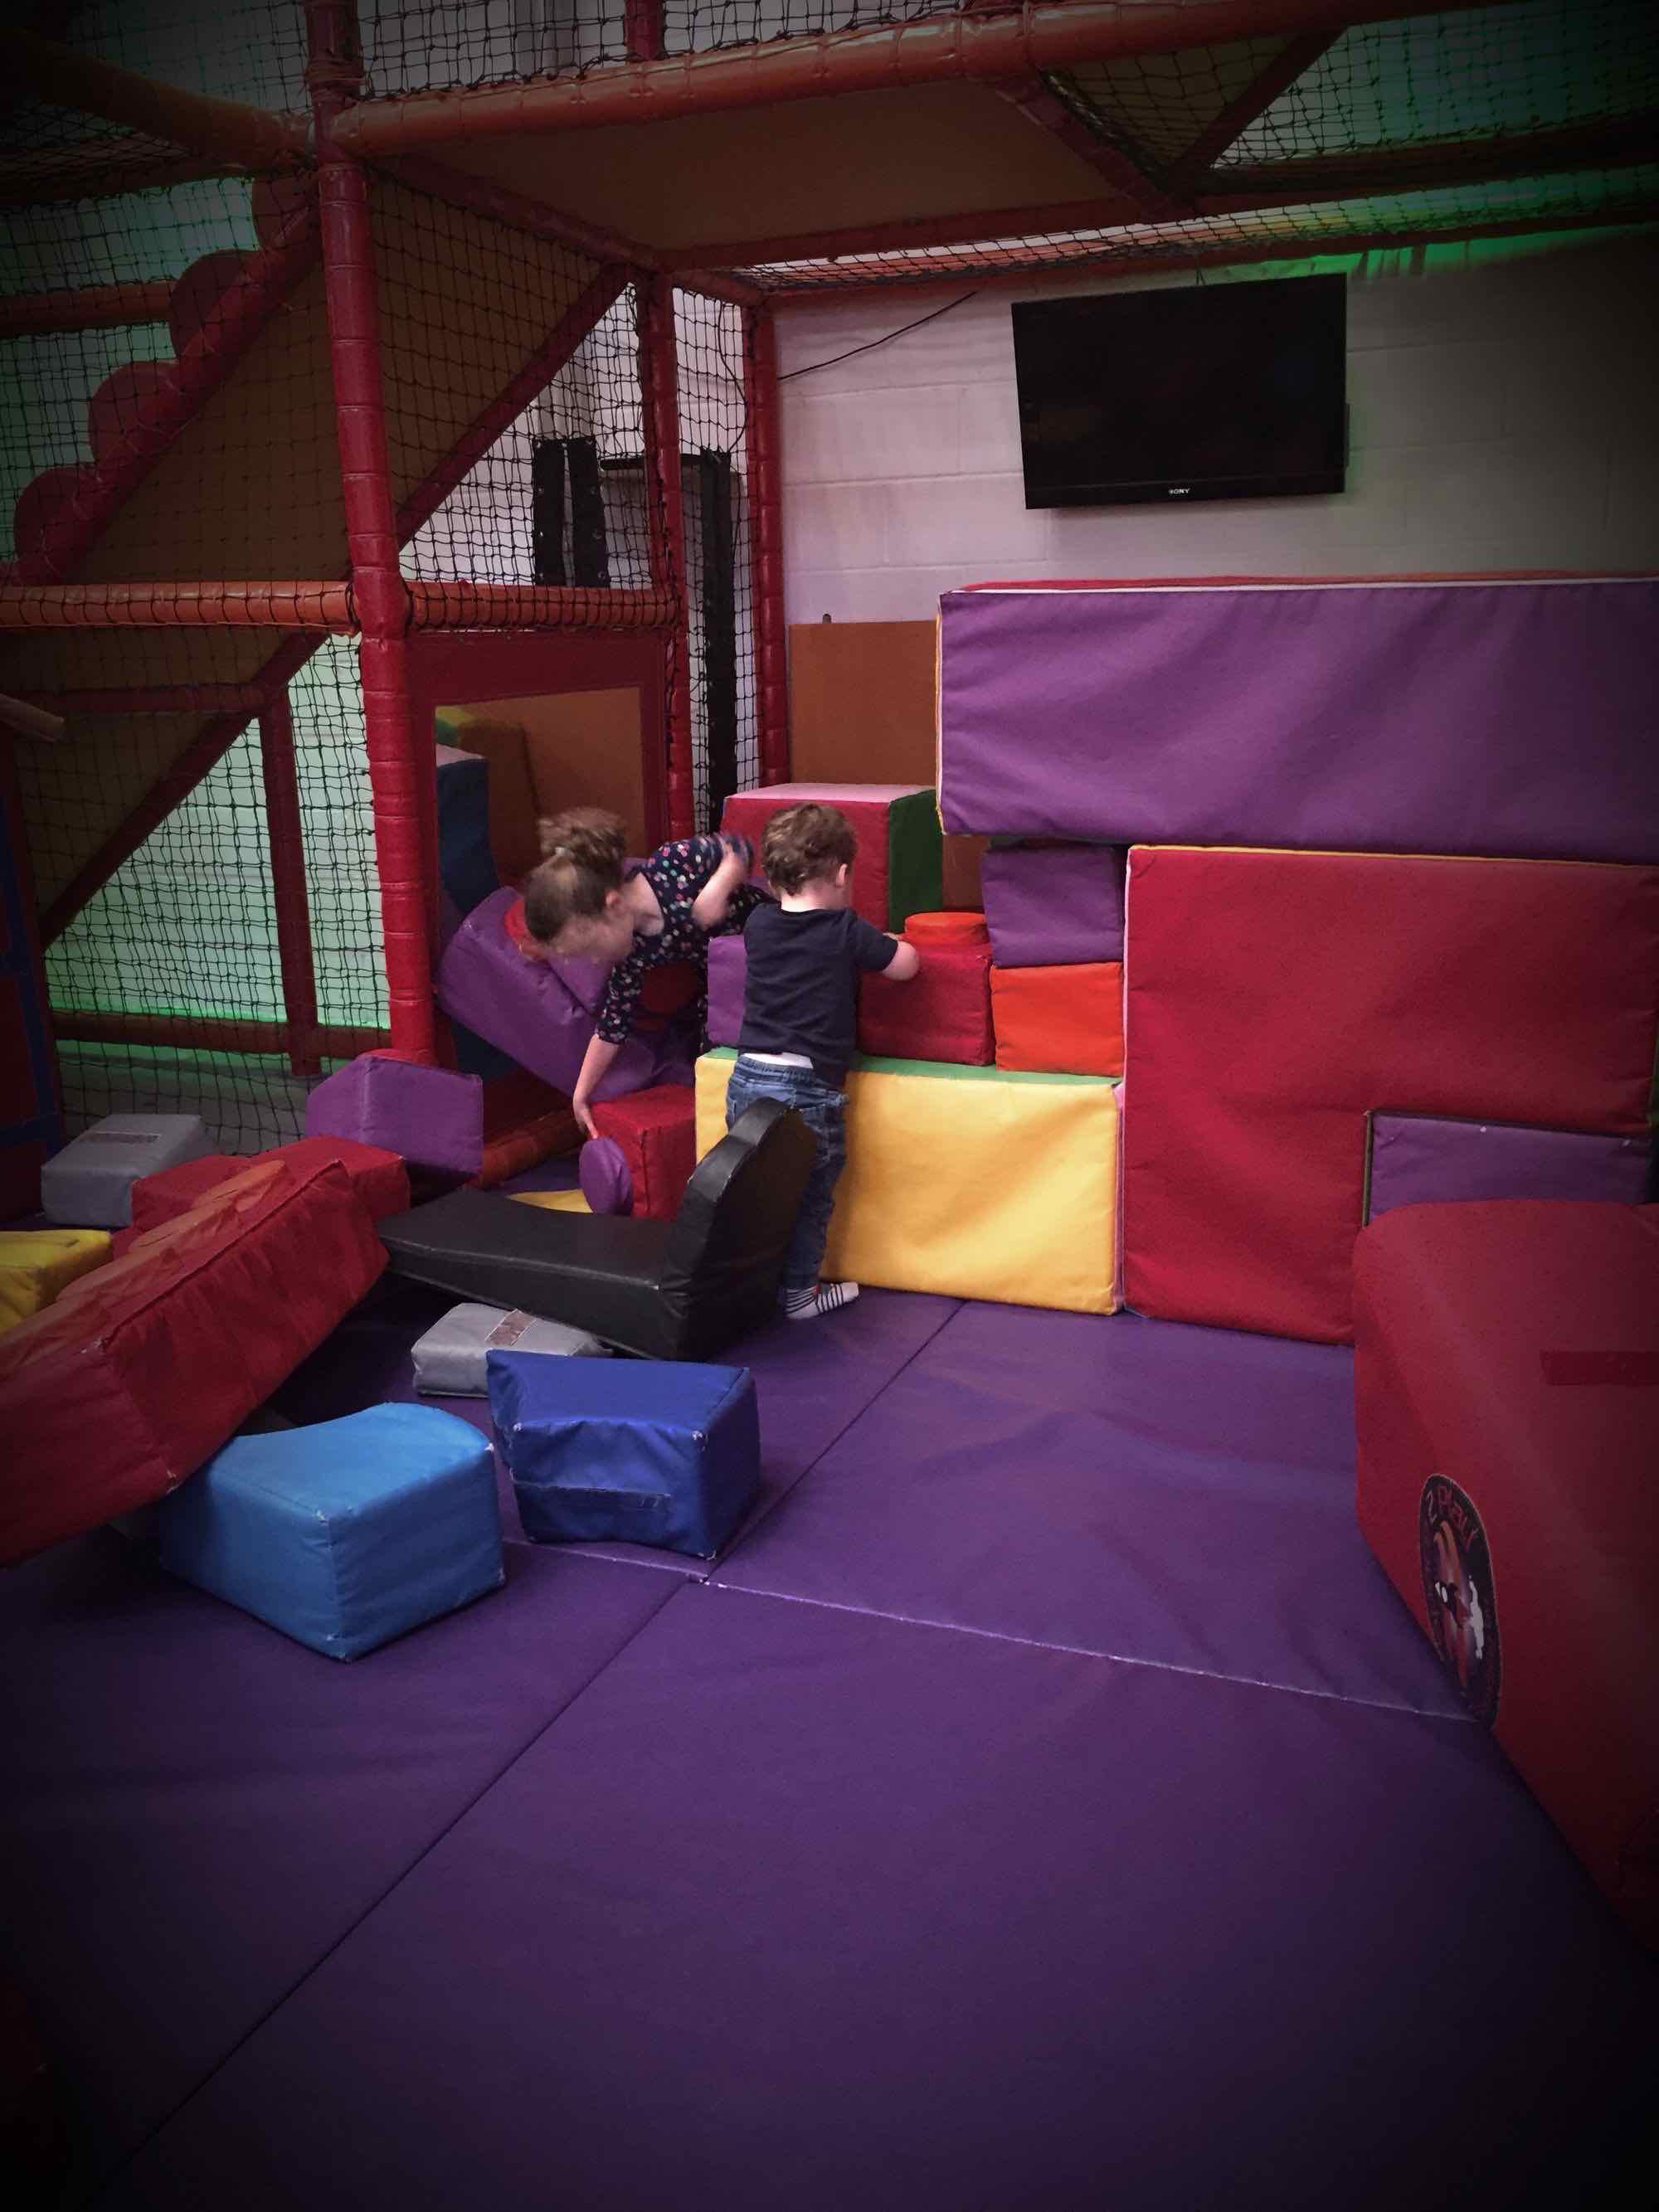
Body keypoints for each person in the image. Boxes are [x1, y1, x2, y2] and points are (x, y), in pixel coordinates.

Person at [727, 800, 919, 1321]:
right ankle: (798, 1297)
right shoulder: (843, 930)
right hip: (806, 1089)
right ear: (840, 874)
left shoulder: (759, 926)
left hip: (746, 1077)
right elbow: (904, 967)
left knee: (758, 1192)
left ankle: (746, 1287)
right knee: (811, 1196)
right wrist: (895, 943)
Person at [522, 808, 761, 1135]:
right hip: (725, 987)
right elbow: (611, 1027)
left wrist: (718, 887)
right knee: (709, 1051)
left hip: (764, 942)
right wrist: (580, 1093)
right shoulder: (632, 955)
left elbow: (740, 847)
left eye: (591, 948)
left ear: (614, 905)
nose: (594, 961)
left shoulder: (672, 862)